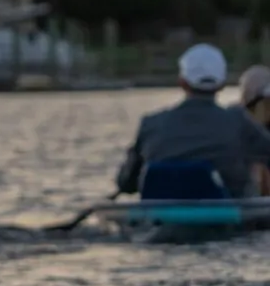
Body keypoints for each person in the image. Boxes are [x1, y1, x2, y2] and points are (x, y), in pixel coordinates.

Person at [114, 44, 270, 199]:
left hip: (161, 219)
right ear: (221, 84)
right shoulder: (239, 121)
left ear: (182, 81)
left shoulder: (150, 124)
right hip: (228, 219)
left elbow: (126, 183)